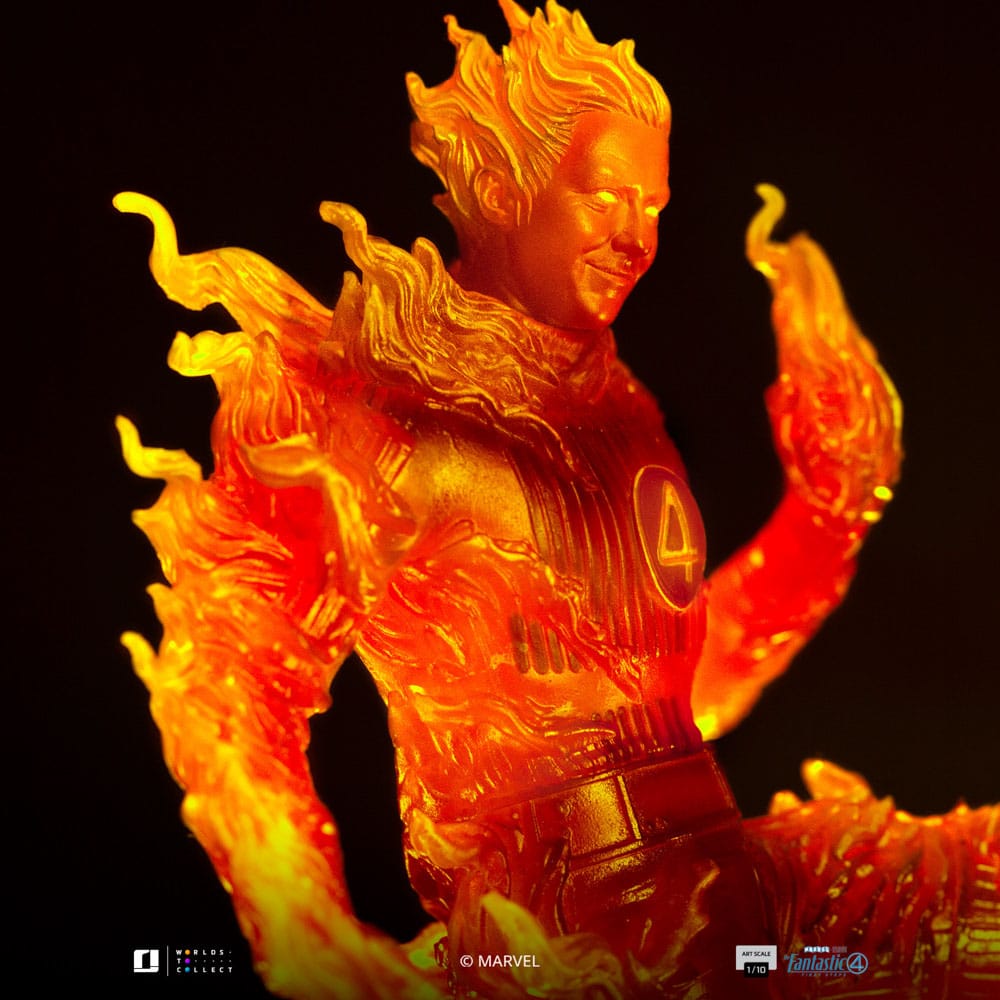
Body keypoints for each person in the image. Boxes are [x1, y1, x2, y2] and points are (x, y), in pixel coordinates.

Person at [120, 2, 992, 997]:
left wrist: (824, 515)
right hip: (573, 947)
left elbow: (678, 689)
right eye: (606, 198)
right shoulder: (366, 418)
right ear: (504, 188)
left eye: (653, 208)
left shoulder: (621, 409)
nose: (635, 239)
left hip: (743, 906)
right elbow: (232, 683)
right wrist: (302, 926)